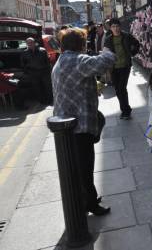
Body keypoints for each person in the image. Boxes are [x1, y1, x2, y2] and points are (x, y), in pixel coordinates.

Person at [52, 28, 116, 216]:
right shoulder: (77, 60)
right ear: (80, 44)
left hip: (66, 124)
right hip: (79, 124)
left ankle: (85, 198)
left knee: (78, 166)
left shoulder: (61, 60)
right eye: (85, 42)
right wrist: (107, 48)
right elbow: (106, 61)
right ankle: (90, 204)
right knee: (85, 167)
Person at [104, 18, 140, 119]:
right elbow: (105, 53)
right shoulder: (108, 39)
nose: (116, 28)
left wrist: (132, 53)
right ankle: (124, 109)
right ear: (110, 28)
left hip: (125, 66)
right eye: (113, 27)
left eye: (117, 26)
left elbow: (137, 44)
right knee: (117, 89)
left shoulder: (126, 36)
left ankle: (126, 111)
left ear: (120, 26)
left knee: (122, 88)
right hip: (114, 68)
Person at [21, 37, 53, 105]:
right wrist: (27, 72)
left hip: (44, 71)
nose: (30, 44)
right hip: (33, 73)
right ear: (26, 44)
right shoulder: (24, 53)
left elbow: (47, 62)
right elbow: (23, 64)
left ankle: (50, 100)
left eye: (31, 42)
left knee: (48, 86)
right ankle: (41, 100)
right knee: (37, 87)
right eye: (28, 43)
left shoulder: (42, 51)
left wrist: (49, 71)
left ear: (34, 43)